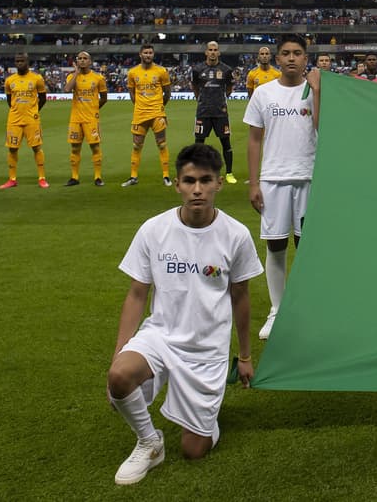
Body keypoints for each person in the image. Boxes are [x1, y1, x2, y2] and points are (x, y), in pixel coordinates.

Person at [105, 143, 262, 485]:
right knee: (118, 378)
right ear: (177, 184)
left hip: (207, 350)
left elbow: (241, 297)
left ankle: (206, 418)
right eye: (189, 181)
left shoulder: (236, 235)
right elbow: (136, 293)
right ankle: (149, 443)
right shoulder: (153, 229)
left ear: (219, 183)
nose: (197, 189)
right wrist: (121, 351)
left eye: (205, 181)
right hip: (160, 336)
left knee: (194, 451)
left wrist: (246, 355)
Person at [244, 34, 320, 340]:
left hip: (310, 178)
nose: (291, 58)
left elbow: (324, 128)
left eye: (297, 53)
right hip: (273, 180)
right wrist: (253, 183)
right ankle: (277, 311)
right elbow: (253, 139)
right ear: (277, 59)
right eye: (286, 53)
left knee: (307, 248)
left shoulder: (316, 91)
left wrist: (316, 90)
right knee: (275, 245)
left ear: (305, 58)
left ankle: (306, 309)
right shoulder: (263, 93)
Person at [124, 44, 172, 187]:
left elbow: (167, 92)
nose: (148, 55)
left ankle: (166, 176)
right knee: (137, 145)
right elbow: (132, 92)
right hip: (140, 114)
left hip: (157, 113)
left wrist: (159, 106)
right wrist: (139, 105)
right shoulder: (133, 72)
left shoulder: (161, 71)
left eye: (150, 53)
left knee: (162, 144)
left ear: (153, 54)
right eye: (145, 52)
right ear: (140, 54)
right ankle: (133, 177)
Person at [192, 41, 238, 184]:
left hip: (220, 112)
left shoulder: (226, 70)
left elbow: (229, 88)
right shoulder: (197, 69)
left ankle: (229, 173)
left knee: (226, 143)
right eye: (210, 49)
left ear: (218, 52)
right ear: (206, 52)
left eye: (215, 50)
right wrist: (203, 100)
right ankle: (197, 172)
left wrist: (219, 100)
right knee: (199, 144)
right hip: (203, 111)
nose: (212, 52)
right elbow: (195, 87)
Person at [1, 51, 48, 189]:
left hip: (31, 119)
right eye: (17, 61)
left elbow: (43, 98)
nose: (19, 63)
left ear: (28, 62)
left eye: (22, 61)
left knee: (36, 147)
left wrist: (33, 111)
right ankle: (12, 179)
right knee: (12, 148)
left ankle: (42, 178)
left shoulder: (37, 78)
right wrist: (17, 110)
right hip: (14, 119)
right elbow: (10, 100)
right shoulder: (10, 80)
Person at [66, 50, 108, 186]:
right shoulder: (72, 77)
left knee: (95, 147)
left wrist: (94, 108)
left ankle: (97, 177)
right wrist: (76, 73)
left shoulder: (98, 78)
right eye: (79, 58)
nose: (82, 60)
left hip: (91, 119)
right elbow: (67, 90)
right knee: (75, 148)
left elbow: (104, 98)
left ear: (90, 62)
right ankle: (74, 177)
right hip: (76, 118)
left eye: (85, 58)